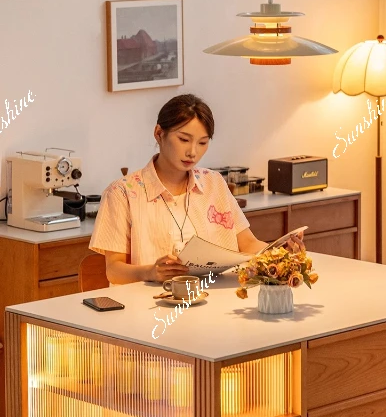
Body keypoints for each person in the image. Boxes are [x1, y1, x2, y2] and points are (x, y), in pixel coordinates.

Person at [90, 94, 270, 284]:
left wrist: (281, 252)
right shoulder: (121, 193)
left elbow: (248, 243)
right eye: (184, 139)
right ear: (159, 133)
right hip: (149, 306)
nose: (192, 152)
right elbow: (114, 270)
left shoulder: (213, 183)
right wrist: (150, 273)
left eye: (202, 142)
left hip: (215, 301)